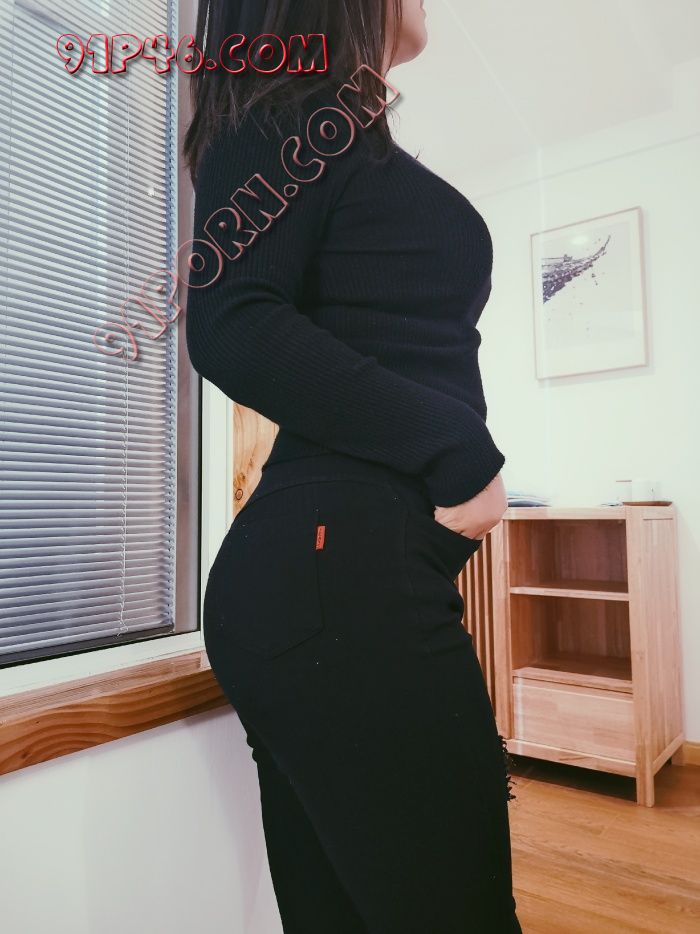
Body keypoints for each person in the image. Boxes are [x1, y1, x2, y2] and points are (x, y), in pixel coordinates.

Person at [184, 1, 522, 931]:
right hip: (337, 578)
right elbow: (232, 321)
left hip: (333, 579)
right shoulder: (290, 106)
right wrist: (458, 451)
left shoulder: (333, 128)